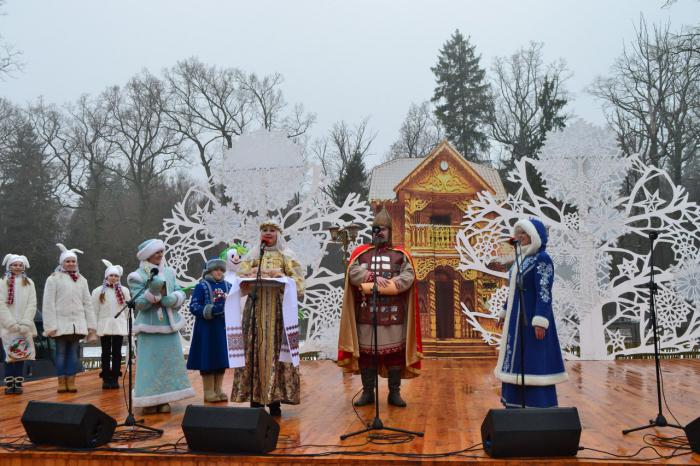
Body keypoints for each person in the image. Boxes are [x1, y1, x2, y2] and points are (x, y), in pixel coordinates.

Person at [338, 208, 422, 407]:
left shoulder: (400, 254)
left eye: (383, 229)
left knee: (394, 356)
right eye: (376, 229)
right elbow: (353, 273)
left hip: (393, 314)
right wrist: (372, 278)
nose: (379, 232)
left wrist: (392, 284)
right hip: (367, 314)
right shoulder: (362, 254)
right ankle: (368, 392)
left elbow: (409, 276)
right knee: (367, 355)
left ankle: (394, 393)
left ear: (390, 232)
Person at [228, 221, 304, 417]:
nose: (268, 234)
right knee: (254, 350)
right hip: (256, 309)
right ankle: (255, 397)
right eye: (264, 230)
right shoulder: (254, 254)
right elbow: (240, 277)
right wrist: (252, 273)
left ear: (278, 234)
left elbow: (298, 283)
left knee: (275, 351)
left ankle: (275, 399)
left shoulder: (286, 255)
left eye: (272, 231)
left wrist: (280, 277)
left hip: (278, 312)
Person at [495, 218, 567, 408]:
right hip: (516, 320)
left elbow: (544, 291)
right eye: (518, 233)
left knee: (533, 359)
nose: (519, 237)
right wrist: (504, 312)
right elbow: (514, 289)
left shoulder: (542, 258)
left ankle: (539, 403)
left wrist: (540, 320)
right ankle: (515, 401)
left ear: (535, 236)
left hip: (531, 320)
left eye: (523, 233)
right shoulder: (522, 259)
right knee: (516, 359)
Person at [127, 239, 195, 414]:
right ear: (147, 255)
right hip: (149, 326)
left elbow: (179, 290)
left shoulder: (170, 273)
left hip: (168, 324)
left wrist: (174, 298)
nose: (160, 254)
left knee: (168, 364)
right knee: (150, 364)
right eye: (156, 252)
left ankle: (164, 398)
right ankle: (149, 400)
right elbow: (139, 304)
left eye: (161, 251)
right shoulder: (137, 276)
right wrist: (153, 292)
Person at [42, 244, 97, 393]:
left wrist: (91, 325)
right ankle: (61, 380)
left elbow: (88, 303)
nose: (71, 264)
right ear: (62, 263)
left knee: (73, 353)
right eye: (68, 261)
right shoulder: (53, 279)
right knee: (60, 353)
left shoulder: (82, 280)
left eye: (73, 261)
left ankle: (71, 380)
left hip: (77, 324)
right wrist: (50, 326)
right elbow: (48, 304)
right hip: (60, 324)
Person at [187, 258, 231, 403]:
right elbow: (194, 306)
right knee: (208, 358)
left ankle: (218, 389)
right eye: (215, 269)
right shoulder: (201, 287)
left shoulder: (228, 286)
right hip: (206, 330)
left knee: (221, 358)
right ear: (209, 271)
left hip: (222, 328)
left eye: (221, 270)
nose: (219, 272)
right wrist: (211, 310)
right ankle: (208, 391)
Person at [0, 254, 37, 394]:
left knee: (21, 354)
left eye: (20, 265)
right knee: (9, 355)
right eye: (15, 265)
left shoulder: (29, 283)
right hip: (7, 325)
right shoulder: (3, 282)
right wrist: (10, 323)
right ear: (9, 266)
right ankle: (9, 384)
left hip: (24, 325)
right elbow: (1, 304)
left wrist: (25, 322)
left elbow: (32, 304)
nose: (18, 267)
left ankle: (19, 383)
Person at [92, 259, 130, 389]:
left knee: (117, 352)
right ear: (106, 276)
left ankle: (115, 377)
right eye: (111, 275)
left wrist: (130, 324)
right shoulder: (98, 291)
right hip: (104, 324)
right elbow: (94, 309)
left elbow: (127, 309)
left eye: (116, 276)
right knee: (106, 352)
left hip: (119, 324)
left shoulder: (124, 291)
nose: (113, 278)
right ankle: (106, 377)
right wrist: (94, 326)